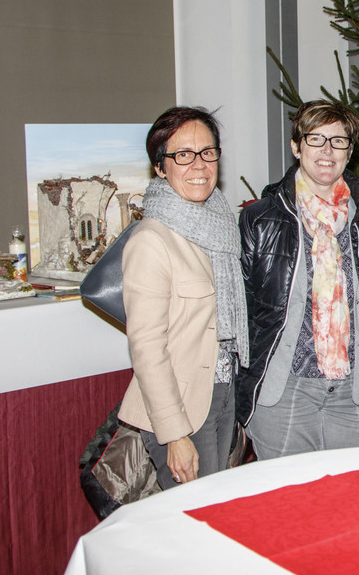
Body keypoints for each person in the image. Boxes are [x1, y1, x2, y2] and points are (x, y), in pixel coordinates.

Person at [237, 100, 359, 458]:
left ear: (350, 151)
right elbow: (242, 315)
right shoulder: (261, 220)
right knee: (291, 494)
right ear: (297, 147)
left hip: (356, 395)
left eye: (338, 141)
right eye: (316, 139)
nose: (327, 150)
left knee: (357, 490)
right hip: (284, 393)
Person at [119, 106, 248, 489]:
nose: (199, 165)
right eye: (183, 155)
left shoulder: (220, 227)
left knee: (218, 506)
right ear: (160, 167)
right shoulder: (151, 240)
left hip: (222, 391)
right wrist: (174, 434)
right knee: (195, 515)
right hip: (181, 408)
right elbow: (146, 347)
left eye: (207, 152)